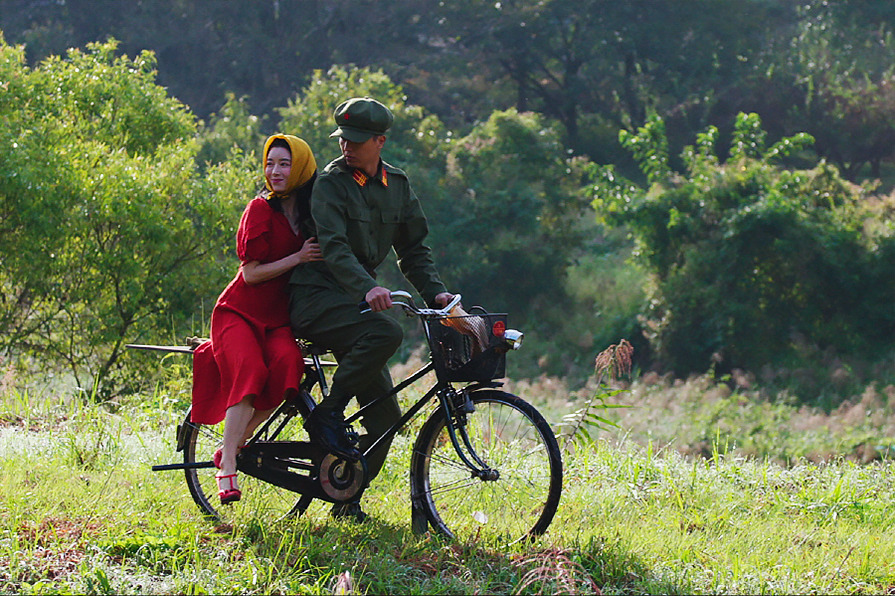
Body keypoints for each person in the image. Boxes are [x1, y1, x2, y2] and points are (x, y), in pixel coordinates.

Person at [288, 97, 455, 521]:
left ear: (380, 141)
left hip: (354, 304)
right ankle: (327, 414)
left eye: (358, 140)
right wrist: (368, 289)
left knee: (385, 421)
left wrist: (435, 293)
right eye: (343, 138)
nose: (347, 146)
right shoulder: (330, 183)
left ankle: (345, 502)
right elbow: (335, 247)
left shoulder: (396, 186)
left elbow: (414, 249)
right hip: (318, 297)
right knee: (387, 331)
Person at [191, 134, 322, 505]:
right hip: (239, 312)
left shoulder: (311, 216)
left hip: (277, 319)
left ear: (300, 167)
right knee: (249, 368)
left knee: (288, 367)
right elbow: (250, 273)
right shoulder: (260, 210)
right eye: (270, 163)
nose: (275, 171)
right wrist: (297, 258)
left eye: (284, 163)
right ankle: (228, 464)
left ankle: (233, 445)